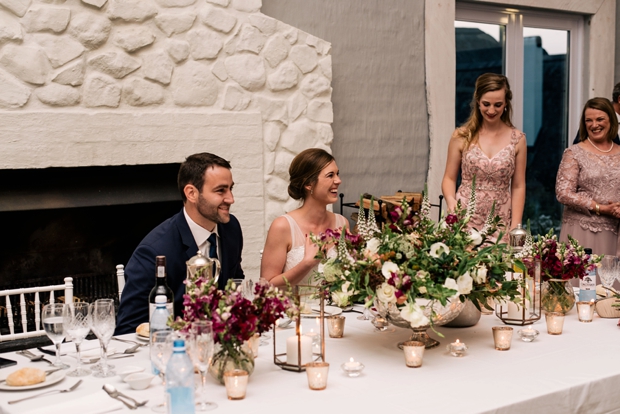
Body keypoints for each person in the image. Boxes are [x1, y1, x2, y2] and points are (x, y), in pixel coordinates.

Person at [115, 153, 244, 335]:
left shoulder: (231, 229)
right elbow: (127, 329)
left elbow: (235, 282)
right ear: (191, 193)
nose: (231, 198)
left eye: (231, 189)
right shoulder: (154, 252)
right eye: (221, 190)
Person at [442, 73, 527, 242]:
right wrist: (451, 202)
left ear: (506, 104)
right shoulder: (461, 136)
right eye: (486, 104)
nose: (491, 110)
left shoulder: (517, 139)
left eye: (498, 105)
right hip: (464, 217)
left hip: (500, 220)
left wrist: (515, 226)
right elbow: (449, 178)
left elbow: (518, 186)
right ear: (477, 101)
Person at [261, 148, 347, 288]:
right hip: (294, 308)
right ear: (308, 184)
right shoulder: (282, 226)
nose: (338, 180)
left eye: (337, 174)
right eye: (330, 175)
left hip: (335, 310)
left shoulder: (342, 223)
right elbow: (266, 286)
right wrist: (307, 263)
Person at [556, 97, 620, 256]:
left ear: (611, 120)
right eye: (588, 120)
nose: (594, 125)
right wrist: (600, 208)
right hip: (581, 231)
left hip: (615, 231)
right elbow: (563, 193)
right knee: (582, 278)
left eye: (600, 119)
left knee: (609, 278)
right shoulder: (574, 153)